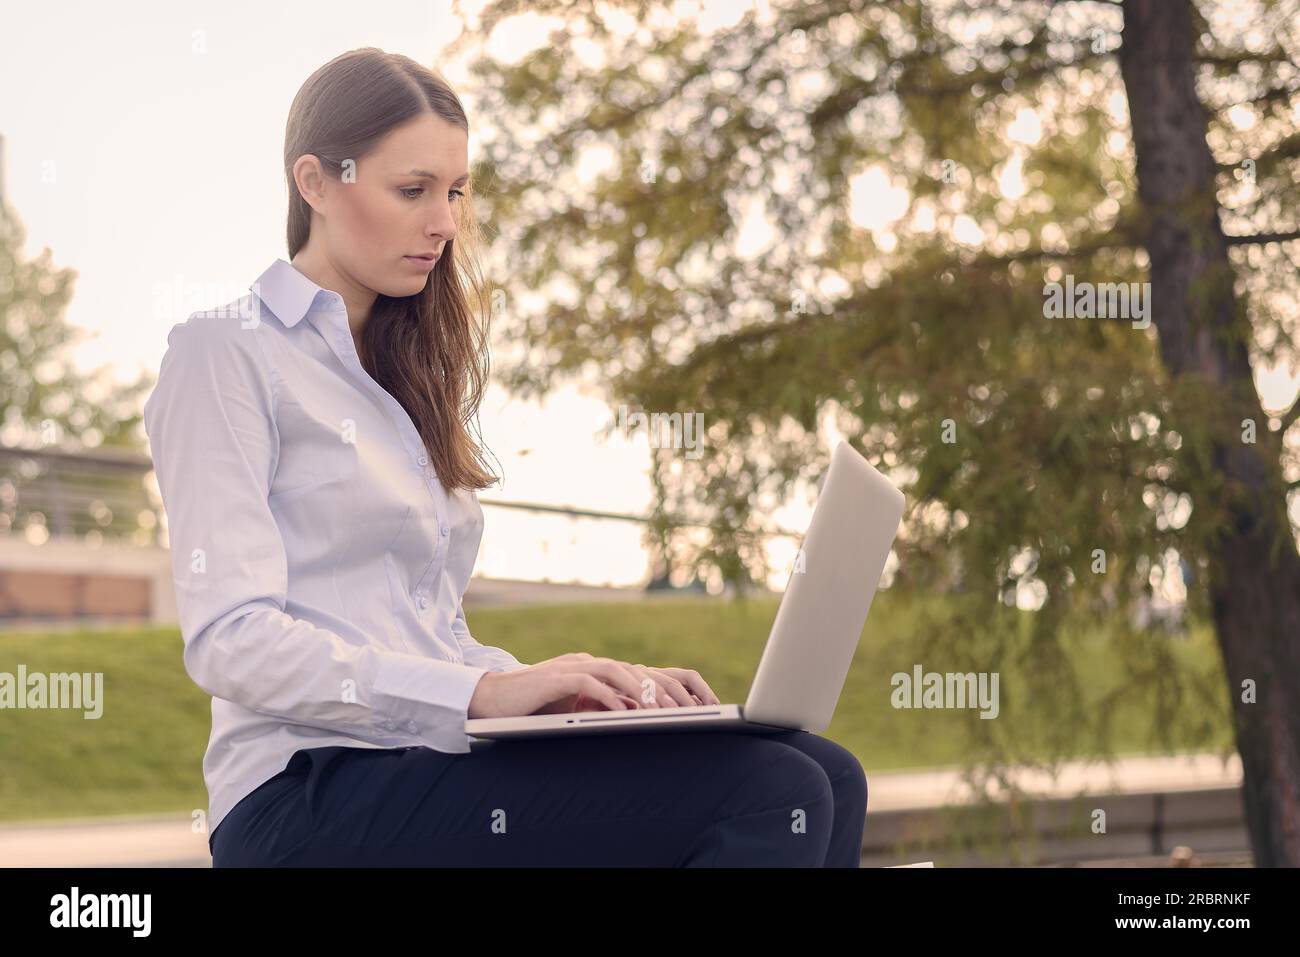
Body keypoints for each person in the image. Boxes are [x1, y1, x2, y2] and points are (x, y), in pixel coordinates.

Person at [142, 47, 867, 867]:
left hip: (426, 763)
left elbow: (427, 640)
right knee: (774, 790)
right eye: (412, 190)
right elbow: (231, 639)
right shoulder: (225, 353)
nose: (445, 223)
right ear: (314, 182)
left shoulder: (399, 373)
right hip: (302, 792)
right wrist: (482, 695)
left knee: (827, 774)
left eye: (454, 192)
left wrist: (561, 690)